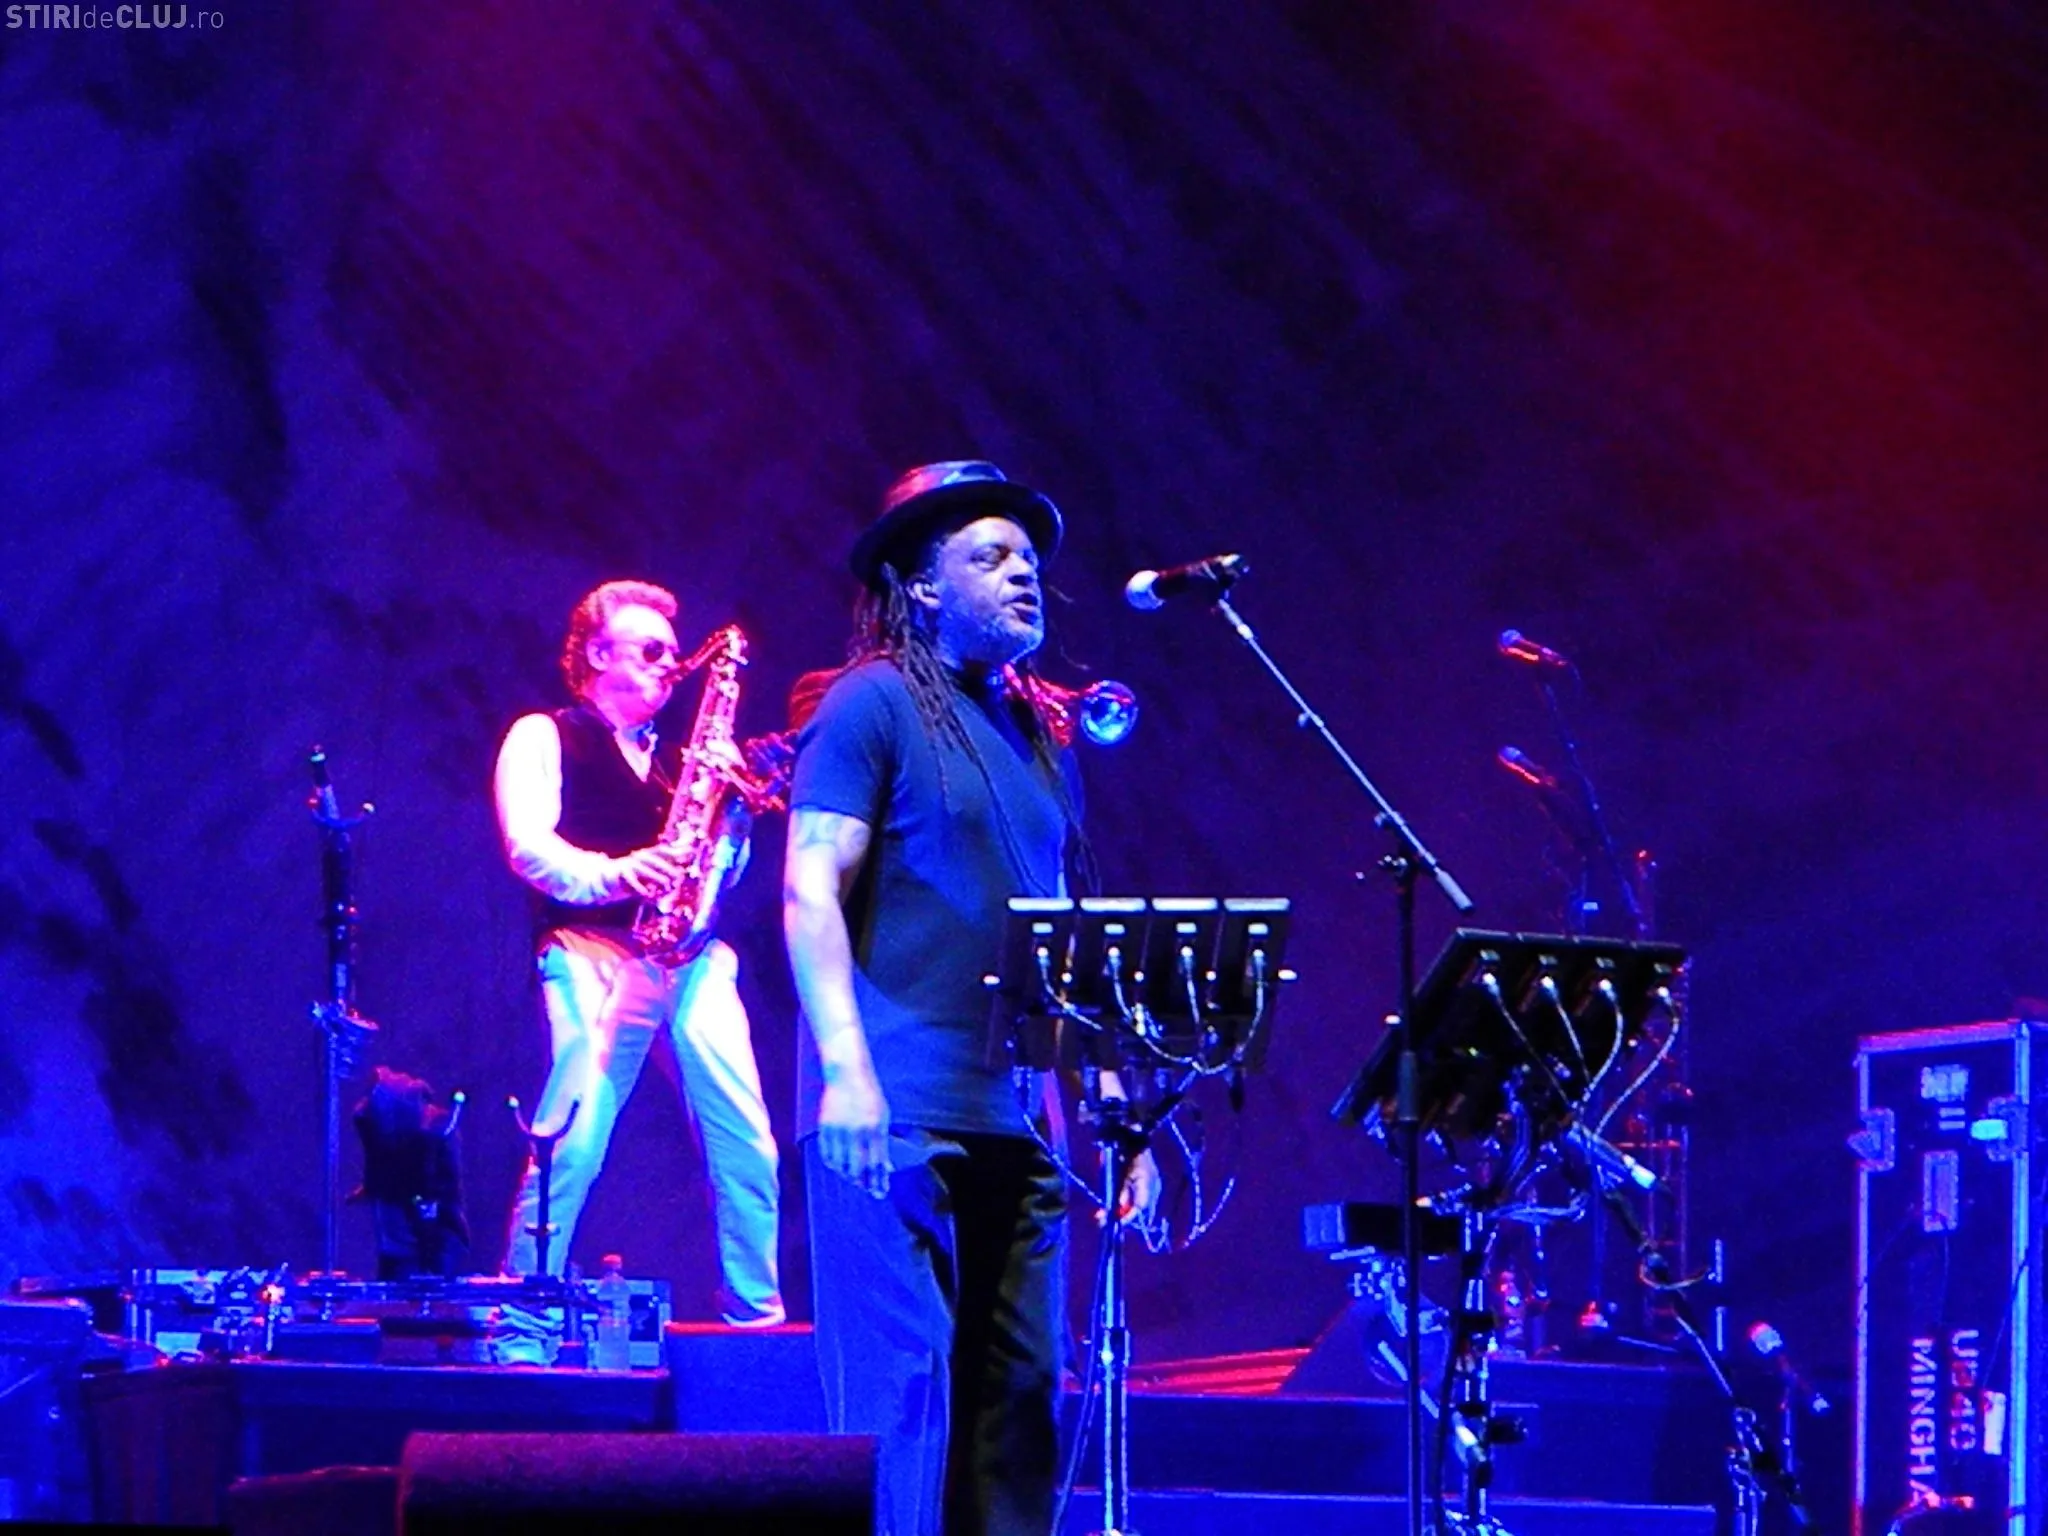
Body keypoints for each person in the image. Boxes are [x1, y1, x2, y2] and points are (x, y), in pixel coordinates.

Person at [783, 462, 1158, 1535]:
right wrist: (845, 1074)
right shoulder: (871, 702)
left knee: (1019, 1409)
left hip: (1017, 1128)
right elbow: (809, 889)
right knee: (900, 1403)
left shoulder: (1039, 739)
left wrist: (1112, 1109)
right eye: (989, 558)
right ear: (922, 584)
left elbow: (1063, 934)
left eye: (1028, 558)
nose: (1022, 574)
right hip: (892, 1112)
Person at [491, 579, 783, 1359]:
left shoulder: (679, 765)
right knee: (575, 1134)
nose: (670, 663)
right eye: (651, 650)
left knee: (747, 1144)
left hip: (688, 958)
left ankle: (756, 1328)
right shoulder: (546, 734)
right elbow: (529, 848)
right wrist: (621, 873)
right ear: (596, 654)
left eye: (672, 651)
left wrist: (731, 813)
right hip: (592, 949)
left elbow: (717, 873)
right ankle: (523, 1322)